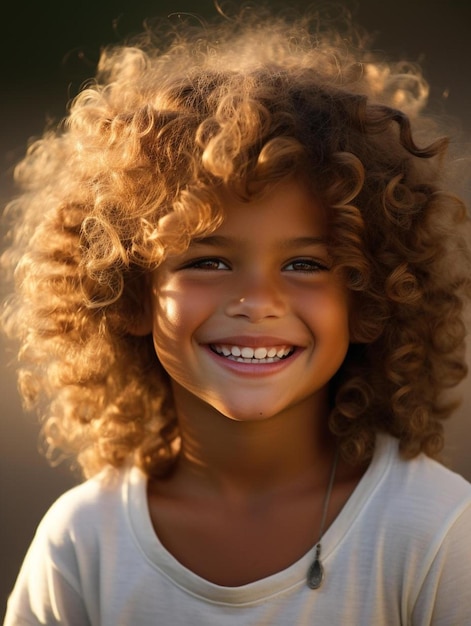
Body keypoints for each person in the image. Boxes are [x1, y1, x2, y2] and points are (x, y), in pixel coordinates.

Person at [2, 7, 471, 625]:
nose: (258, 300)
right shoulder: (82, 544)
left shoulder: (436, 530)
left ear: (371, 297)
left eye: (306, 265)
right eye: (210, 263)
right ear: (130, 293)